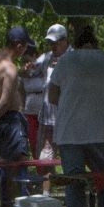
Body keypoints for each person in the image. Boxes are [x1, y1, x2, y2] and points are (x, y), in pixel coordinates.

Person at [47, 24, 104, 207]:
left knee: (74, 183)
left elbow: (53, 97)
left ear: (76, 43)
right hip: (101, 130)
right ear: (95, 42)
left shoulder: (66, 61)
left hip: (70, 132)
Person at [0, 26, 33, 207]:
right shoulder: (10, 68)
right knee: (19, 163)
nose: (26, 50)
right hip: (10, 120)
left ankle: (7, 205)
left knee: (6, 163)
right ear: (18, 45)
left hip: (0, 120)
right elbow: (5, 98)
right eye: (25, 46)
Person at [37, 23, 70, 161]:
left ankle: (70, 183)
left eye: (55, 42)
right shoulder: (46, 58)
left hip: (67, 119)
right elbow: (28, 71)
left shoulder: (73, 58)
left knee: (70, 159)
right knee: (44, 161)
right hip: (47, 118)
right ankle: (46, 182)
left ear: (65, 41)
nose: (53, 46)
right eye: (50, 42)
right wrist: (26, 69)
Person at [20, 40, 46, 159]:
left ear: (35, 56)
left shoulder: (44, 67)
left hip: (43, 111)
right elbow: (21, 93)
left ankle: (47, 171)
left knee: (44, 144)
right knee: (34, 142)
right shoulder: (23, 72)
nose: (26, 63)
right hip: (29, 111)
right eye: (24, 61)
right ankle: (39, 170)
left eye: (28, 60)